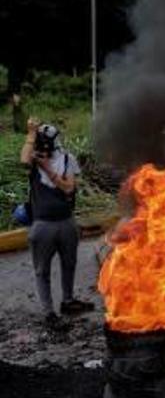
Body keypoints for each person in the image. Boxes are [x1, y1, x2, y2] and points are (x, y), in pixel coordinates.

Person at [19, 118, 93, 330]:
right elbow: (24, 159)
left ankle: (68, 301)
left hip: (66, 222)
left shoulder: (67, 160)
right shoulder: (33, 160)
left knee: (69, 263)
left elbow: (69, 188)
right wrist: (30, 134)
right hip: (42, 224)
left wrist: (48, 168)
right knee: (42, 271)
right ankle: (49, 313)